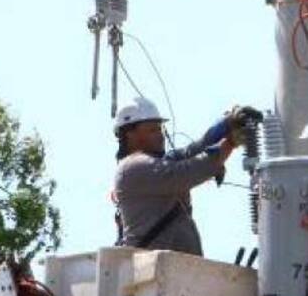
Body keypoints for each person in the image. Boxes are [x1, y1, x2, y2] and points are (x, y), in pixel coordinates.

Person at [112, 97, 261, 256]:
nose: (160, 135)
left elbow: (193, 149)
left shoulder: (157, 163)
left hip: (176, 269)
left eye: (160, 129)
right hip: (151, 271)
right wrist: (230, 143)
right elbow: (188, 171)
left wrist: (226, 125)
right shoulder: (133, 168)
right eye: (152, 130)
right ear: (130, 134)